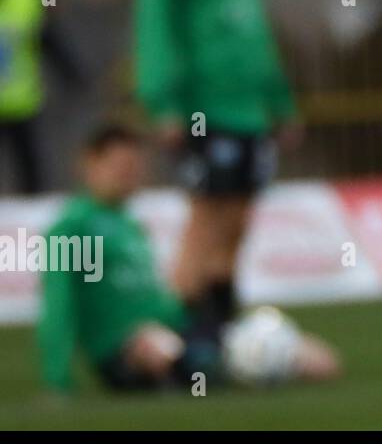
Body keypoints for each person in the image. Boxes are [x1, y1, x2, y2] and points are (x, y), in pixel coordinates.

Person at [133, 0, 302, 348]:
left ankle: (221, 325)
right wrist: (162, 102)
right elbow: (155, 25)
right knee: (206, 214)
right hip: (203, 108)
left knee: (240, 216)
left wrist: (281, 101)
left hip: (251, 107)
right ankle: (180, 334)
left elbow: (255, 29)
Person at [37, 123, 338, 394]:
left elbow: (156, 299)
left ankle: (218, 361)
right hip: (128, 349)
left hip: (178, 329)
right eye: (120, 167)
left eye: (134, 167)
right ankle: (204, 367)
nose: (129, 175)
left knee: (320, 362)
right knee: (171, 352)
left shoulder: (129, 224)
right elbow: (58, 304)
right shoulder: (72, 228)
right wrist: (58, 378)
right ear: (90, 165)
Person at [0, 0, 82, 195]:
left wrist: (72, 73)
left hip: (21, 101)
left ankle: (28, 222)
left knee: (30, 170)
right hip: (20, 97)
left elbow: (47, 36)